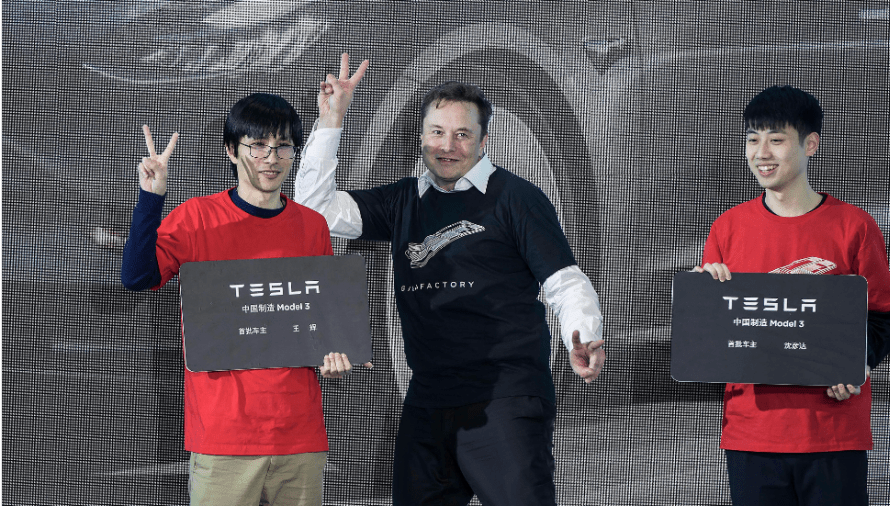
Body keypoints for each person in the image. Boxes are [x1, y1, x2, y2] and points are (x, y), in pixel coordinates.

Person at [294, 54, 606, 505]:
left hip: (506, 399)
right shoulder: (403, 201)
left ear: (483, 141)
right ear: (420, 136)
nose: (448, 145)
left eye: (462, 134)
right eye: (437, 132)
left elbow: (565, 281)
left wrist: (583, 334)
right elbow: (314, 213)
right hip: (428, 400)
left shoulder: (516, 198)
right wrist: (331, 123)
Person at [120, 92, 365, 506]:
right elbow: (137, 278)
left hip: (299, 435)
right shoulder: (197, 218)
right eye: (258, 145)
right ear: (232, 151)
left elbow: (323, 320)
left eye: (282, 146)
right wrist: (151, 199)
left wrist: (336, 356)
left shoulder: (313, 226)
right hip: (224, 435)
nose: (271, 157)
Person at [693, 85, 890, 505]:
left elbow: (884, 314)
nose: (761, 152)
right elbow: (713, 339)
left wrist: (855, 363)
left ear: (811, 144)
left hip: (832, 434)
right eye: (752, 140)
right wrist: (704, 298)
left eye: (776, 139)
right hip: (751, 434)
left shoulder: (854, 227)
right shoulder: (728, 228)